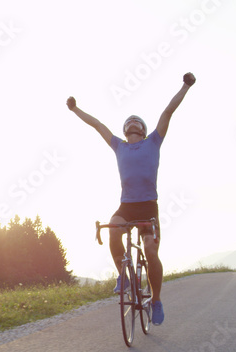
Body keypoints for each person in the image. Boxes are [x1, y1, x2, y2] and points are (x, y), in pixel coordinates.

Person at [66, 72, 196, 325]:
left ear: (143, 130)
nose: (133, 124)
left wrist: (186, 86)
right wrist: (75, 109)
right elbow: (97, 124)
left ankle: (156, 300)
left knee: (149, 249)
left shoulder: (154, 141)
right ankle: (125, 278)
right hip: (126, 206)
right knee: (113, 230)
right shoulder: (118, 145)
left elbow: (168, 111)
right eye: (130, 122)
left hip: (148, 206)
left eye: (137, 122)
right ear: (125, 130)